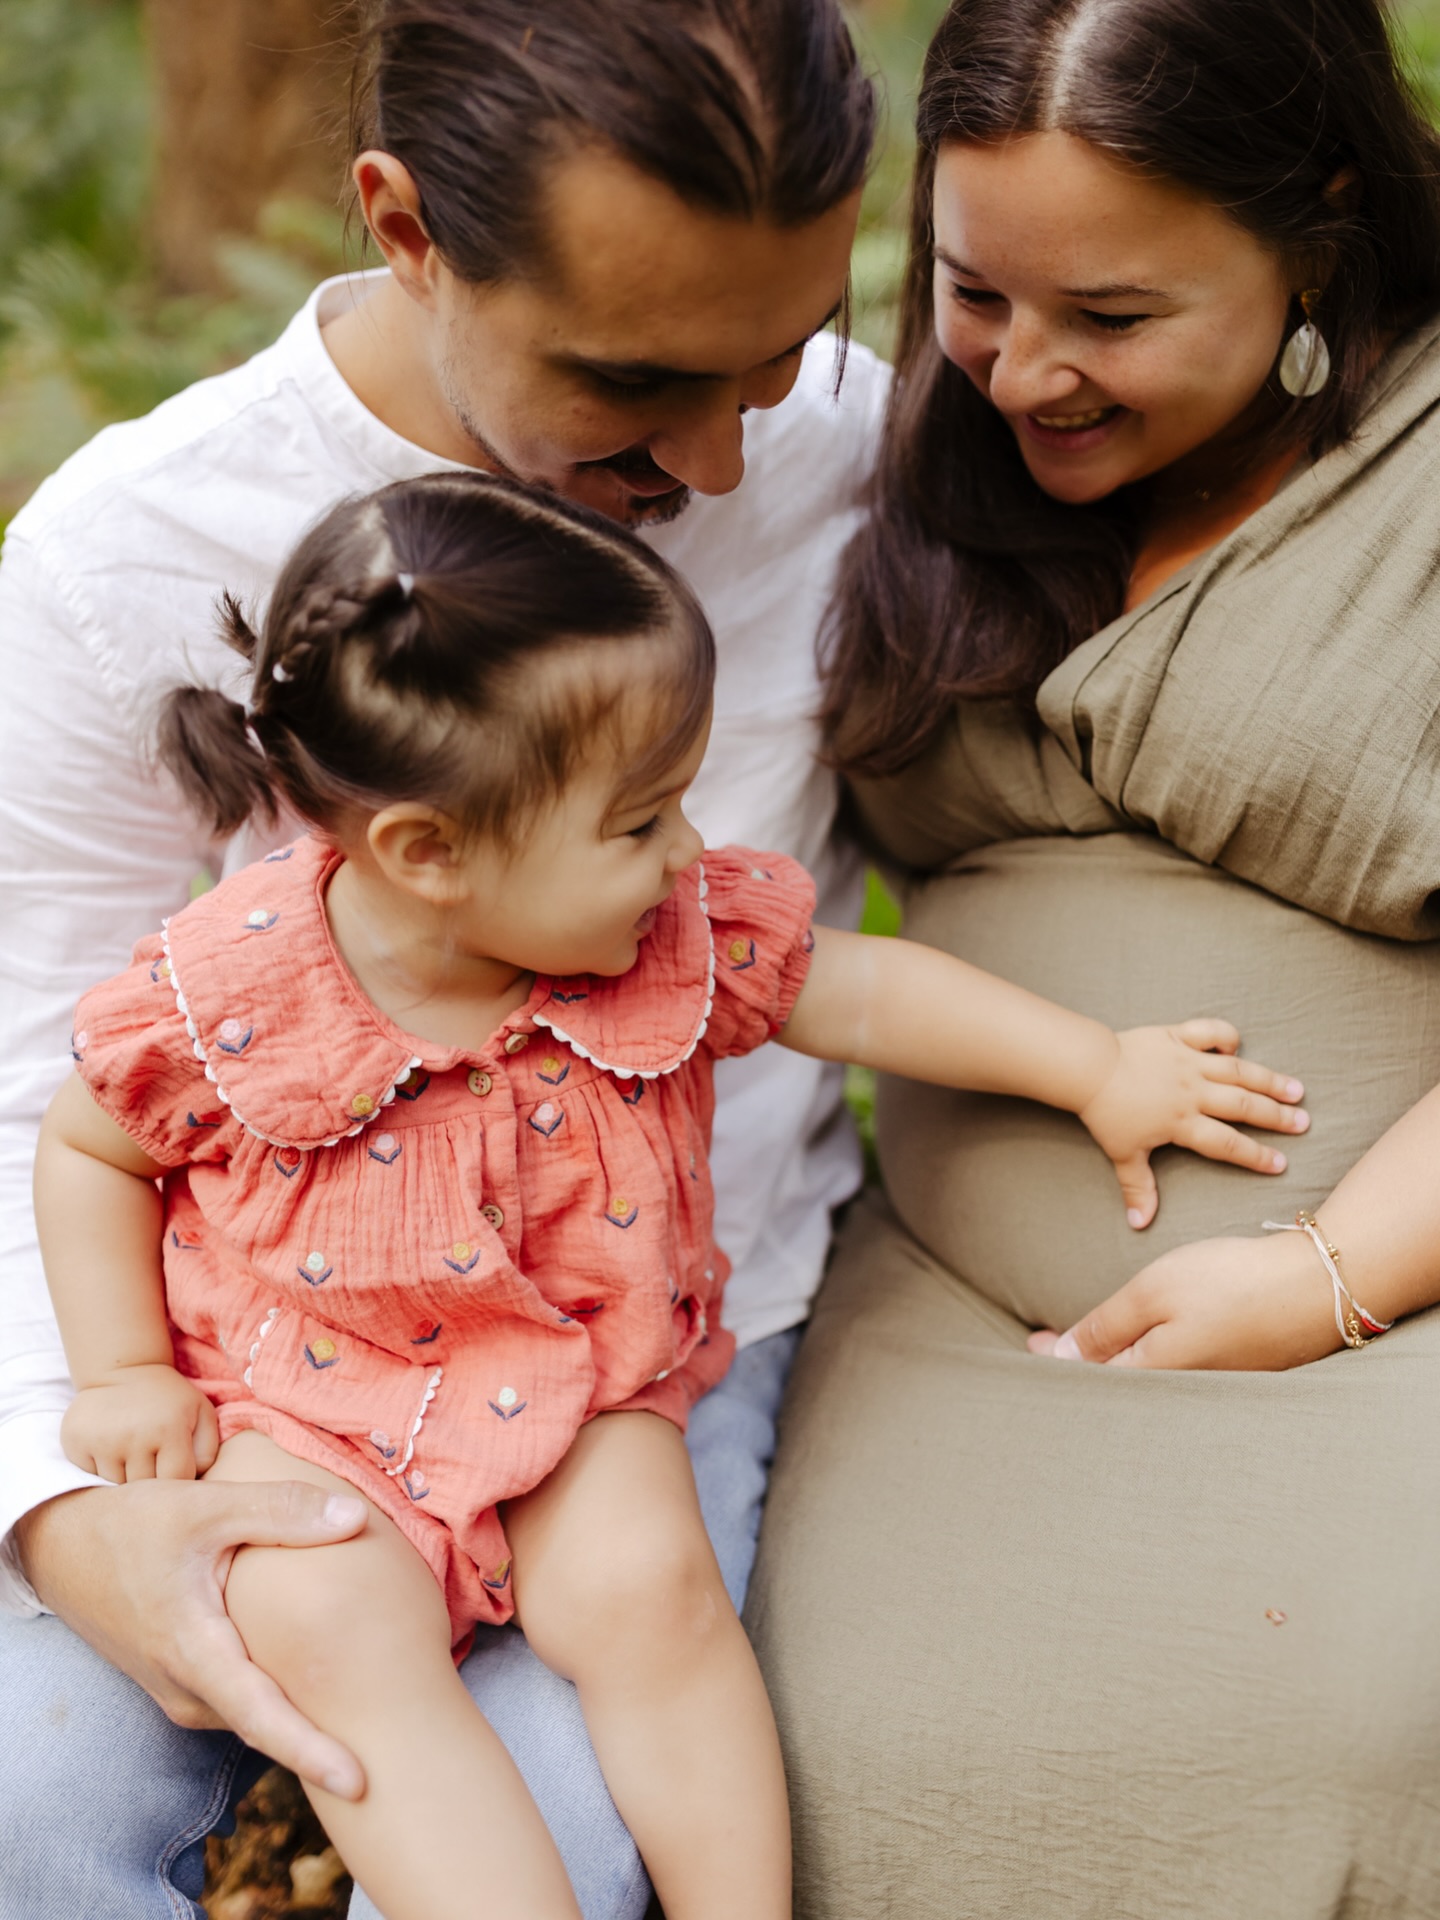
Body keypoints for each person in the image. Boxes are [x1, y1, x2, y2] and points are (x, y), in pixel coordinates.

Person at [35, 469, 1306, 1918]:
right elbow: (93, 1147)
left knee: (651, 1585)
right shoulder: (237, 983)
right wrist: (125, 1370)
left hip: (575, 1372)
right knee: (322, 1614)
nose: (690, 853)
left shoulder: (671, 933)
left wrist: (1095, 1067)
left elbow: (862, 985)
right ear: (427, 854)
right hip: (305, 1398)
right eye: (641, 821)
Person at [0, 3, 884, 1915]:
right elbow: (36, 1098)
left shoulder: (856, 456)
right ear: (404, 227)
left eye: (780, 357)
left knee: (584, 1837)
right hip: (259, 1376)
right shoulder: (120, 561)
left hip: (646, 1352)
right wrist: (70, 1512)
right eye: (639, 379)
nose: (729, 459)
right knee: (39, 1824)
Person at [744, 0, 1440, 1913]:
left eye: (1112, 321)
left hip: (1387, 1306)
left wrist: (1322, 1282)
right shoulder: (880, 463)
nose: (1023, 373)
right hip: (952, 1315)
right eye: (977, 292)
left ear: (1319, 222)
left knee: (1362, 1700)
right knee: (851, 1732)